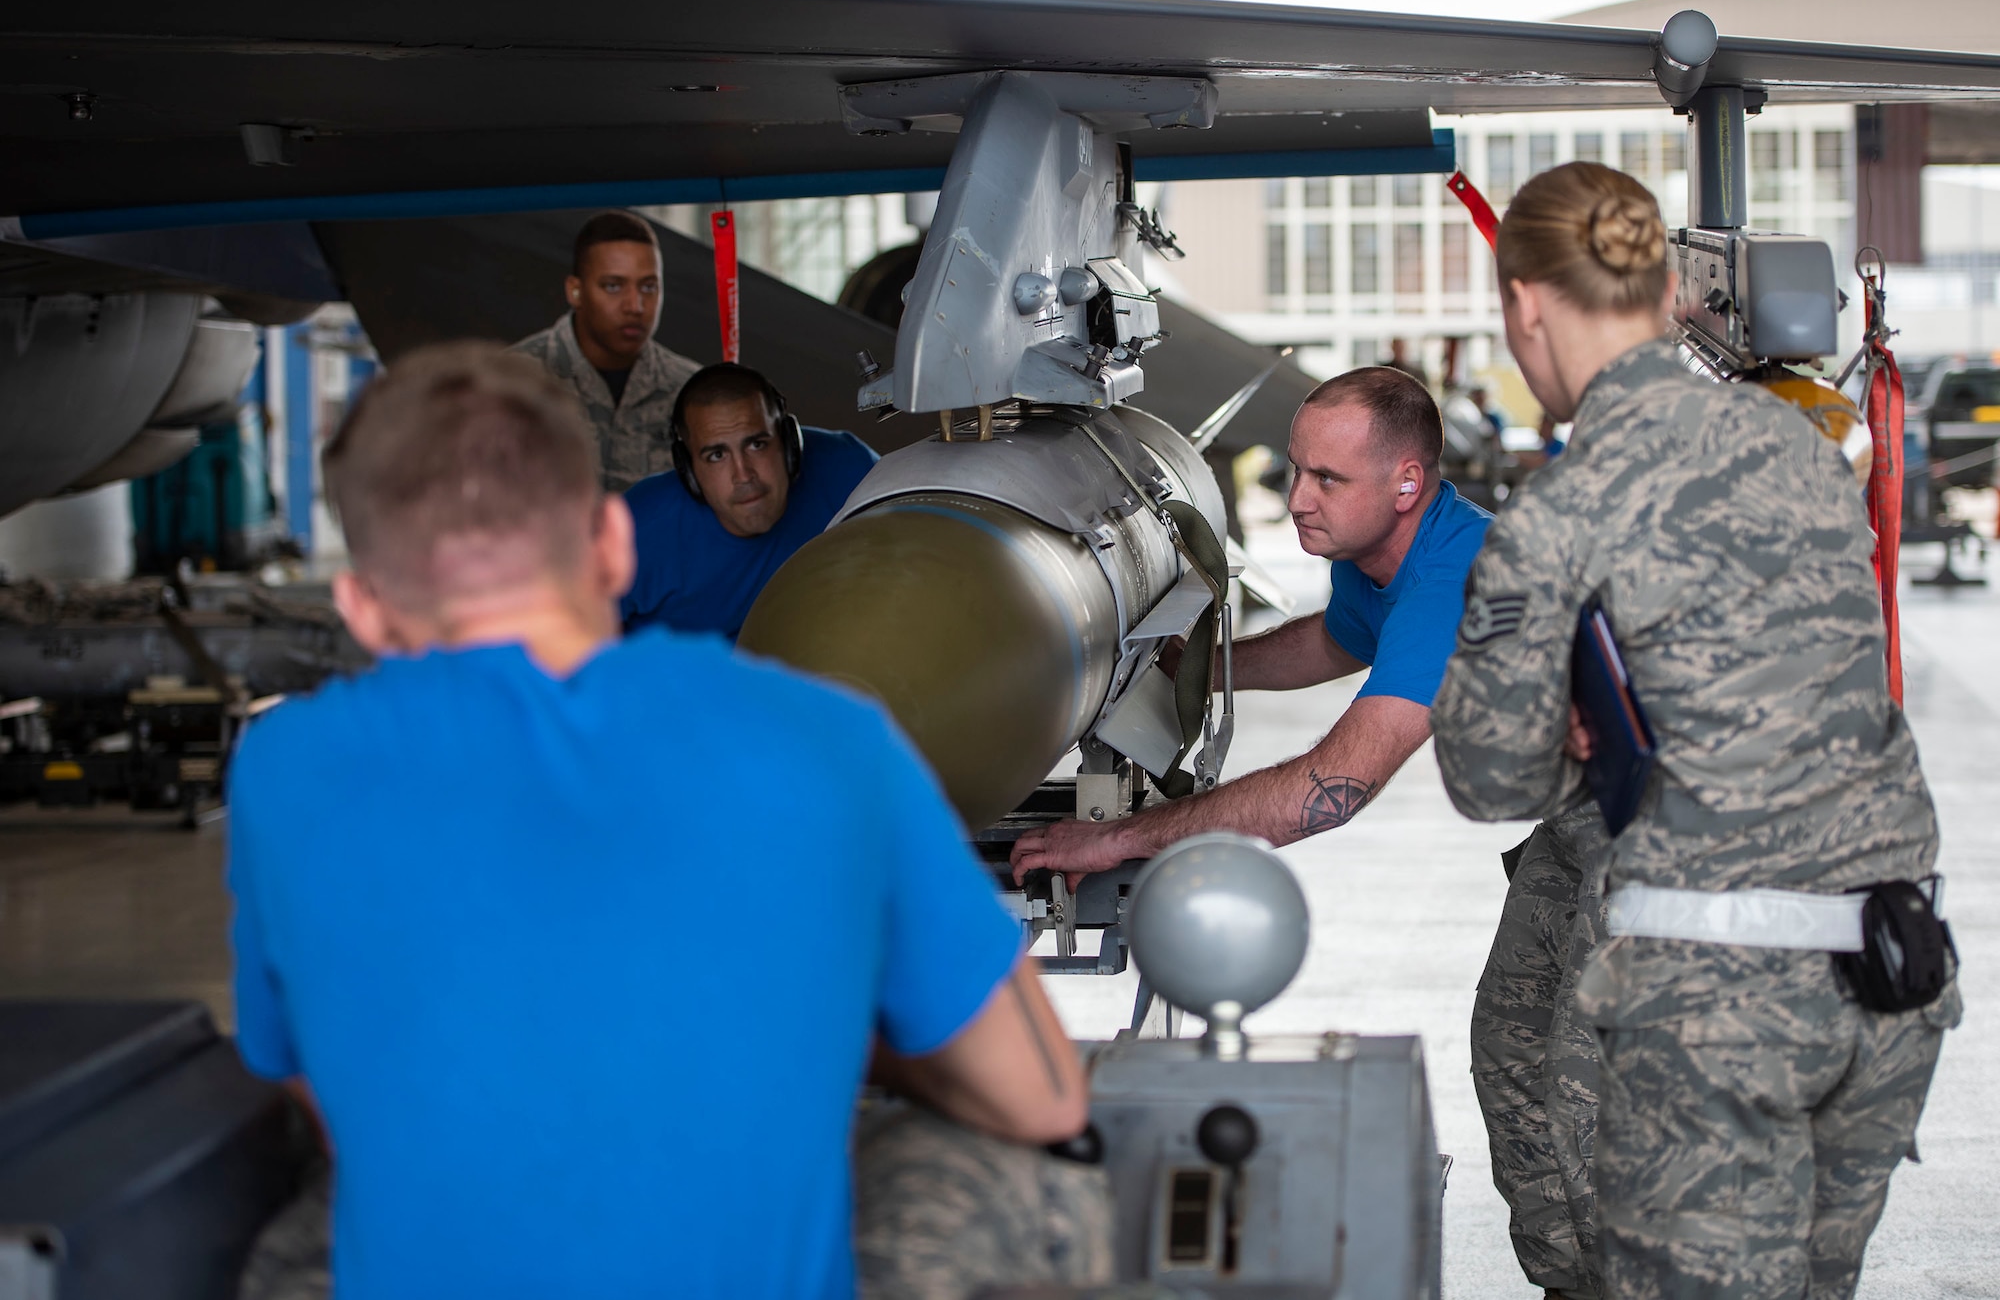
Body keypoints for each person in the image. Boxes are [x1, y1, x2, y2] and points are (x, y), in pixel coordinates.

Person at [226, 343, 1088, 1300]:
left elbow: (313, 1080)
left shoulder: (284, 769)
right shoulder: (827, 735)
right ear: (611, 543)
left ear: (363, 607)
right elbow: (1040, 1093)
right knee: (1039, 1183)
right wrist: (815, 1012)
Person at [1431, 162, 1957, 1300]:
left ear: (1524, 303)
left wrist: (1572, 727)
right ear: (1668, 289)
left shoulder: (1562, 513)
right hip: (1884, 977)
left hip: (1722, 1015)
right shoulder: (1803, 455)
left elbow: (1485, 777)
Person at [1009, 367, 1489, 883]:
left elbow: (1328, 791)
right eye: (1296, 471)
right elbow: (1334, 642)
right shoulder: (1374, 551)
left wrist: (1116, 839)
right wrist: (1192, 670)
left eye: (1328, 478)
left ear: (1406, 484)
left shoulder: (1452, 586)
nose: (1297, 501)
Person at [620, 363, 877, 640]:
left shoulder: (848, 468)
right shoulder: (634, 531)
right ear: (689, 471)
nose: (743, 475)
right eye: (717, 455)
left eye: (757, 445)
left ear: (790, 443)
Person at [511, 209, 700, 492]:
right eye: (613, 286)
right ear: (575, 291)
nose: (635, 306)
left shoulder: (691, 391)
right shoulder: (513, 381)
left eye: (649, 287)